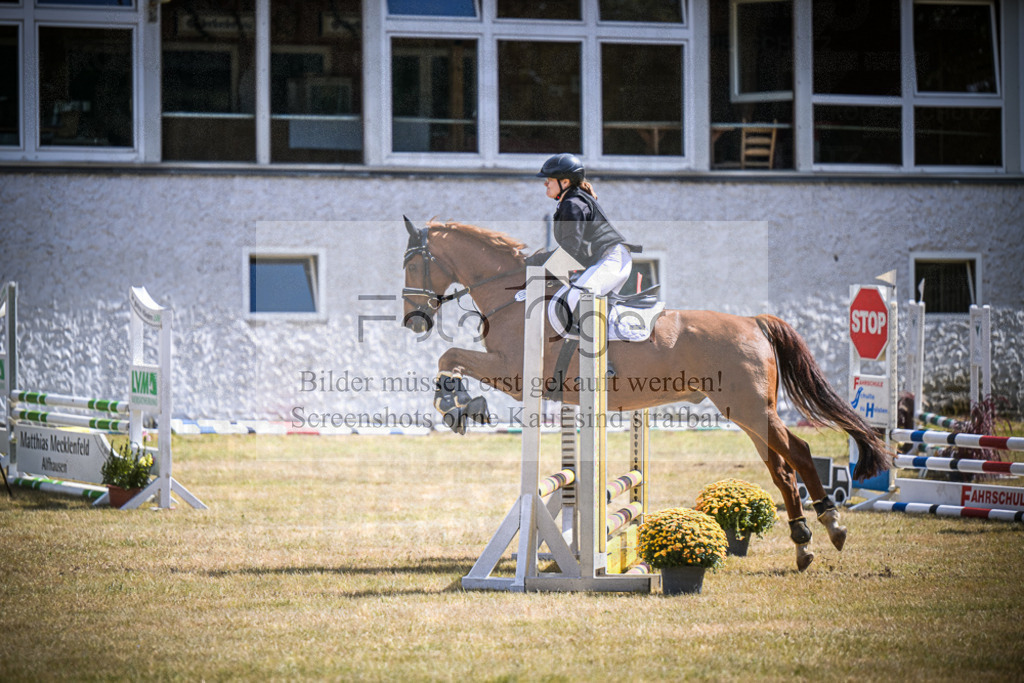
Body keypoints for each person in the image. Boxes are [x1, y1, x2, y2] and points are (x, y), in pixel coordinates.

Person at [532, 153, 637, 337]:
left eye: (549, 180)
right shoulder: (571, 201)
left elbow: (570, 252)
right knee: (569, 294)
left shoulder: (573, 204)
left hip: (611, 259)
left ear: (564, 182)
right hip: (605, 260)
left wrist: (536, 262)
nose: (545, 184)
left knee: (577, 297)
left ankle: (598, 360)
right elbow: (576, 253)